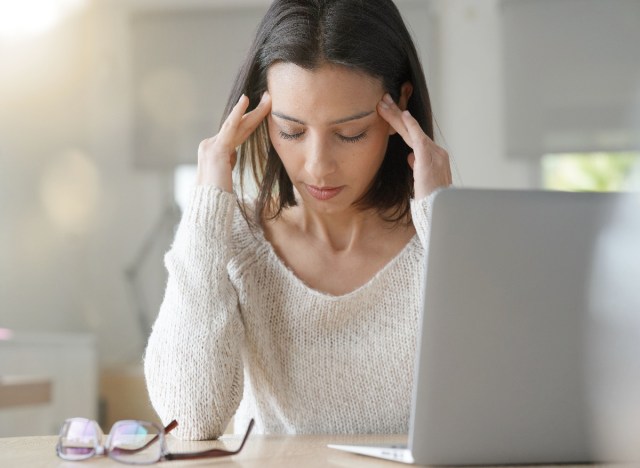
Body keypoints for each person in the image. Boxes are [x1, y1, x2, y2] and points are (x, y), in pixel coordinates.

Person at [144, 0, 452, 440]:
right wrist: (209, 201)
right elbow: (190, 417)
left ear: (400, 105)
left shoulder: (439, 239)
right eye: (291, 131)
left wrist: (444, 220)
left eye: (350, 133)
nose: (318, 166)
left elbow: (497, 406)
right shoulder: (235, 240)